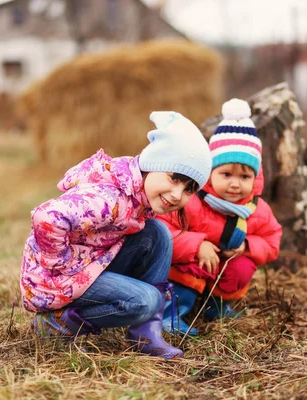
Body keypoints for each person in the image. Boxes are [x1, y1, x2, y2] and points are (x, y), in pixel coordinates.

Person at [20, 111, 212, 359]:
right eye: (174, 178)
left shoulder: (139, 197)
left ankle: (145, 333)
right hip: (54, 281)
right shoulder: (110, 199)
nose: (177, 195)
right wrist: (60, 264)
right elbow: (46, 217)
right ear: (153, 164)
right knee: (146, 300)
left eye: (189, 189)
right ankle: (57, 323)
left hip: (91, 263)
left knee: (157, 233)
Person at [158, 98, 282, 336]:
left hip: (219, 266)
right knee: (190, 264)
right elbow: (162, 230)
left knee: (242, 267)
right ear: (210, 171)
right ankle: (170, 314)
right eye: (226, 174)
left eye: (245, 177)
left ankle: (215, 307)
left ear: (255, 178)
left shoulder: (256, 209)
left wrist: (247, 245)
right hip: (187, 263)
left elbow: (272, 239)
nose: (235, 184)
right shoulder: (192, 199)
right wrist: (196, 244)